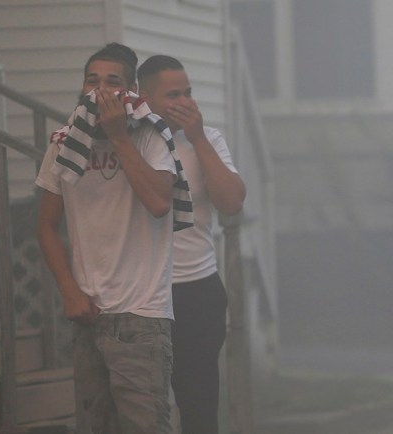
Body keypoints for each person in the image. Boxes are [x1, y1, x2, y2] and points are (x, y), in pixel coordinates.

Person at [36, 43, 179, 433]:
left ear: (132, 92)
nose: (100, 90)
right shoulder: (65, 144)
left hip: (141, 317)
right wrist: (69, 289)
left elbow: (159, 202)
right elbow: (46, 224)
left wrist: (119, 137)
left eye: (112, 82)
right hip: (89, 313)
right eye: (92, 81)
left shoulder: (151, 137)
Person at [137, 55, 246, 434]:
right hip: (140, 292)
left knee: (199, 408)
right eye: (172, 95)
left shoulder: (208, 138)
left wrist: (198, 138)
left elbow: (232, 202)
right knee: (142, 411)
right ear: (143, 95)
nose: (184, 102)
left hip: (196, 288)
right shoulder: (130, 139)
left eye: (188, 93)